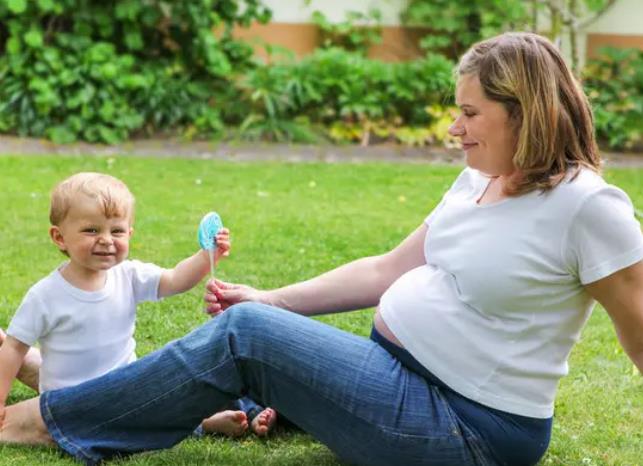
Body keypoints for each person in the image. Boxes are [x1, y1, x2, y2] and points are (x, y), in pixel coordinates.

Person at [1, 32, 642, 466]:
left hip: (467, 428)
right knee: (256, 330)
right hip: (399, 375)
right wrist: (273, 298)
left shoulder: (587, 208)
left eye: (470, 114)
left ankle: (37, 420)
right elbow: (389, 268)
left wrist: (261, 318)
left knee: (245, 337)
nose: (454, 129)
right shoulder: (480, 179)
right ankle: (208, 400)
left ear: (524, 110)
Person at [0, 172, 275, 439]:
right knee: (137, 418)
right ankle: (203, 424)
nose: (106, 239)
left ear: (129, 233)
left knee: (174, 385)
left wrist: (207, 256)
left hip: (127, 387)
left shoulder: (128, 276)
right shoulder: (45, 295)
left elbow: (175, 279)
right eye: (91, 230)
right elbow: (13, 349)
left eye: (116, 230)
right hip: (74, 403)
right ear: (60, 237)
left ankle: (247, 409)